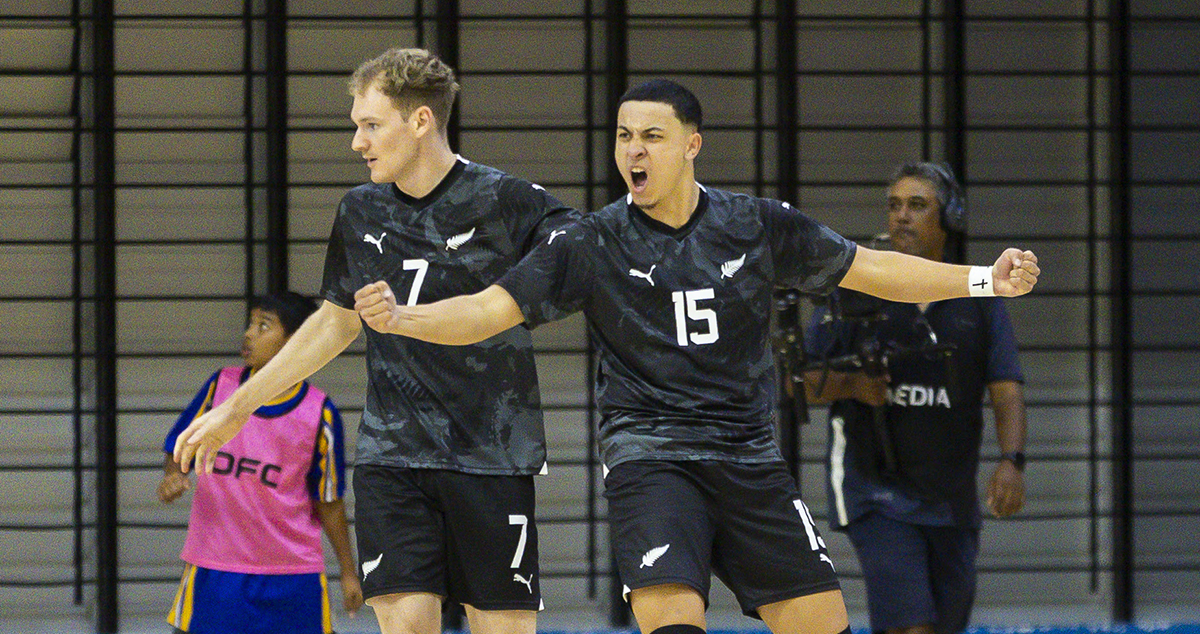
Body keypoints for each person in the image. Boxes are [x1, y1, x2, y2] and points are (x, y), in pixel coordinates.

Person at [337, 79, 1039, 634]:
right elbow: (491, 309)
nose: (633, 152)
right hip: (651, 458)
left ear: (691, 145)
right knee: (672, 618)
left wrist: (984, 280)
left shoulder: (755, 224)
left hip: (747, 456)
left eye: (652, 136)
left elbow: (872, 269)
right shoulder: (590, 242)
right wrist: (404, 318)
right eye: (623, 137)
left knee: (822, 621)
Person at [171, 47, 578, 634]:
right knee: (405, 623)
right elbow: (334, 322)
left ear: (421, 121)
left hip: (490, 455)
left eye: (371, 125)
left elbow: (585, 265)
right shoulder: (360, 210)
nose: (357, 142)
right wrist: (238, 408)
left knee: (502, 626)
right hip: (393, 454)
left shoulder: (508, 201)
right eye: (356, 126)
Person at [802, 163, 1028, 634]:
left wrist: (1012, 460)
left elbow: (1006, 390)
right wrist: (852, 385)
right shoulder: (858, 288)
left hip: (951, 498)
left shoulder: (980, 299)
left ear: (950, 218)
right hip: (875, 491)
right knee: (911, 627)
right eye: (894, 205)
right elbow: (797, 380)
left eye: (917, 205)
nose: (901, 216)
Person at [158, 291, 362, 634]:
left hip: (292, 574)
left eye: (263, 326)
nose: (248, 334)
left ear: (296, 342)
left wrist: (348, 571)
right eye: (250, 324)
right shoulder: (220, 387)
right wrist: (173, 475)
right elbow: (180, 448)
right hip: (215, 567)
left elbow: (329, 503)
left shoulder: (319, 412)